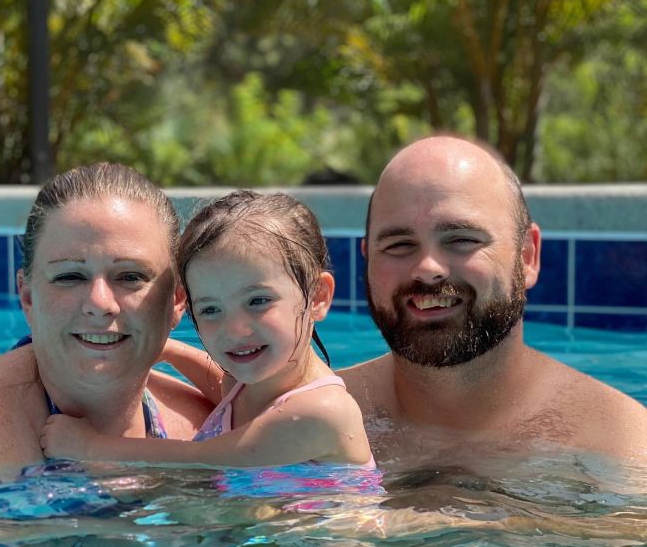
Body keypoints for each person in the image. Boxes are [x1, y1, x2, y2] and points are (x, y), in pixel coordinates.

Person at [0, 163, 213, 490]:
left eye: (131, 276)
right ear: (27, 298)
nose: (100, 303)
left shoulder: (206, 427)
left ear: (177, 301)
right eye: (70, 276)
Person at [338, 135, 647, 465]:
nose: (427, 268)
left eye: (462, 239)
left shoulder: (621, 448)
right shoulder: (308, 421)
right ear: (367, 257)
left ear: (528, 255)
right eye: (399, 245)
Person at [40, 190, 376, 477]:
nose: (235, 330)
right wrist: (162, 348)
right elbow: (221, 381)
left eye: (258, 301)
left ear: (317, 297)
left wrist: (91, 447)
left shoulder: (323, 411)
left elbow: (204, 461)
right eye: (211, 310)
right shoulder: (258, 384)